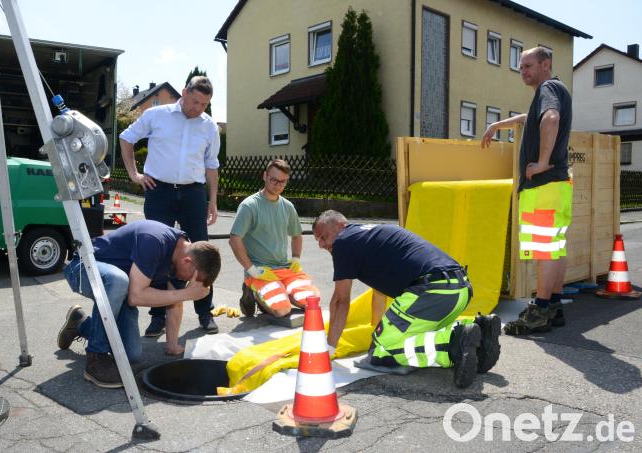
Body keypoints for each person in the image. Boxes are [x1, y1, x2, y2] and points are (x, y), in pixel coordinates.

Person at [312, 210, 501, 388]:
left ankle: (454, 344)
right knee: (406, 338)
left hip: (432, 291)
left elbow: (340, 301)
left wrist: (328, 350)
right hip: (460, 289)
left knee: (381, 352)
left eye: (323, 237)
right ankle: (481, 336)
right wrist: (378, 332)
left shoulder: (344, 241)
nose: (321, 245)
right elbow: (379, 294)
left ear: (340, 225)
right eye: (317, 240)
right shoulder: (369, 234)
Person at [58, 220, 221, 388]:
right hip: (83, 268)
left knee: (131, 354)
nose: (188, 282)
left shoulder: (181, 257)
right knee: (118, 280)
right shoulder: (154, 241)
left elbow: (175, 302)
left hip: (120, 290)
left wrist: (172, 345)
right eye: (191, 279)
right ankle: (96, 357)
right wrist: (187, 294)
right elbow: (135, 297)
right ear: (188, 262)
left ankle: (81, 324)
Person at [119, 76, 220, 337]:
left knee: (202, 254)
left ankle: (205, 312)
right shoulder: (156, 115)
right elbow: (126, 138)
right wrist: (134, 174)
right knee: (156, 253)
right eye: (195, 101)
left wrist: (213, 201)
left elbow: (212, 166)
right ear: (184, 93)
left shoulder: (209, 127)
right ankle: (157, 317)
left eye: (204, 104)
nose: (199, 108)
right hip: (159, 191)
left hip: (193, 194)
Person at [481, 47, 572, 335]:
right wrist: (497, 124)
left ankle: (540, 310)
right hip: (557, 186)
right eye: (521, 67)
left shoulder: (547, 88)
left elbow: (550, 119)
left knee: (545, 249)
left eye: (529, 66)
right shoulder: (554, 89)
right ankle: (554, 306)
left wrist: (543, 162)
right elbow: (528, 117)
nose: (524, 71)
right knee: (555, 248)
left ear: (546, 64)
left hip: (544, 185)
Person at [229, 159, 319, 317]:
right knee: (281, 310)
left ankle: (278, 291)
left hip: (285, 269)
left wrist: (296, 259)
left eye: (282, 182)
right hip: (261, 271)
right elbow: (234, 240)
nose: (278, 185)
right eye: (274, 180)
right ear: (264, 176)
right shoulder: (250, 206)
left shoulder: (288, 207)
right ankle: (252, 292)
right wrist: (252, 270)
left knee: (312, 301)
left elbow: (297, 235)